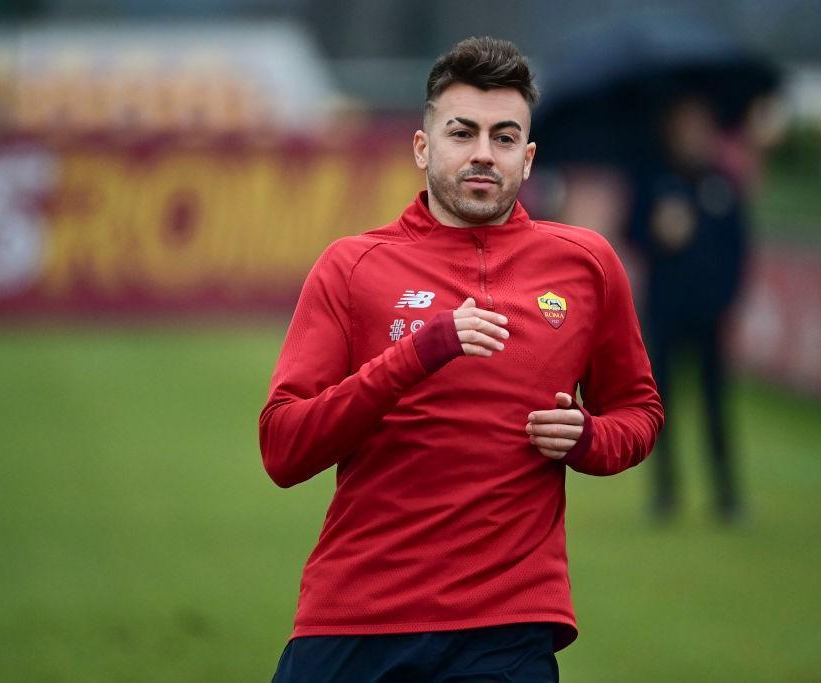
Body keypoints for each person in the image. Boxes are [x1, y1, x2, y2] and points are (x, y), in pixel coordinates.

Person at [259, 37, 664, 682]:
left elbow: (640, 412)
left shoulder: (586, 264)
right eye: (462, 132)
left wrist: (589, 438)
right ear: (423, 147)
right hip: (357, 617)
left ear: (528, 160)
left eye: (504, 138)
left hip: (506, 629)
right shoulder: (352, 266)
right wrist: (418, 352)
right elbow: (283, 448)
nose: (482, 153)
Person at [626, 97, 747, 524]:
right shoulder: (654, 180)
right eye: (684, 127)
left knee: (716, 405)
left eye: (700, 127)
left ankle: (727, 495)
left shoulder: (723, 184)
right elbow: (633, 234)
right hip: (665, 310)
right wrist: (658, 230)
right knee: (662, 406)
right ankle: (665, 494)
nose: (692, 136)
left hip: (710, 313)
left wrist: (728, 299)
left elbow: (740, 250)